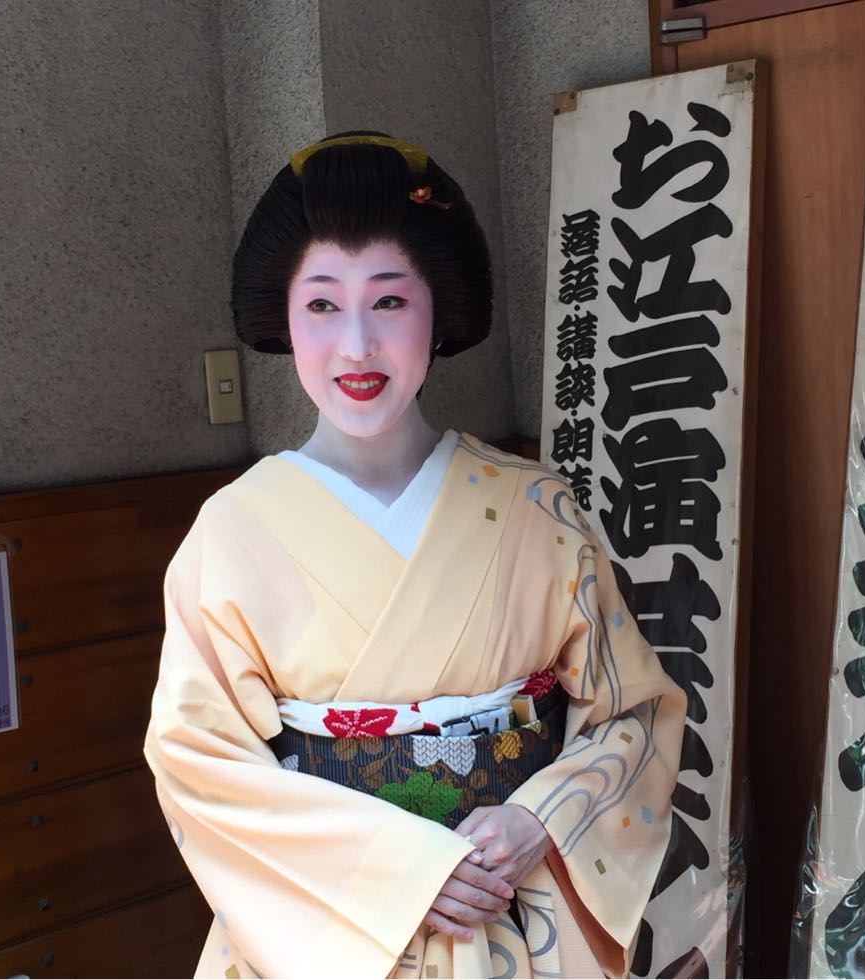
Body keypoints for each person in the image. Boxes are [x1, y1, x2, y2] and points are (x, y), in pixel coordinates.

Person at [144, 131, 685, 979]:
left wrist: (538, 819)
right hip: (329, 936)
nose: (357, 344)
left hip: (516, 910)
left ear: (437, 312)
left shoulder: (537, 508)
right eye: (322, 305)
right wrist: (400, 872)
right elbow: (197, 762)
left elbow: (633, 712)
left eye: (390, 300)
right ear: (285, 320)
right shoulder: (231, 532)